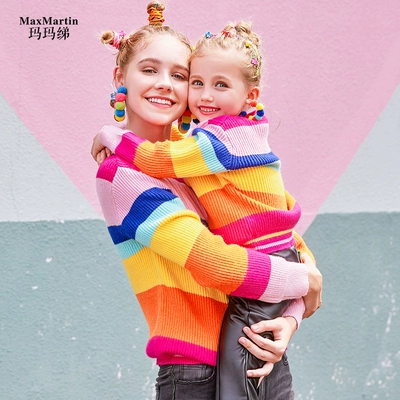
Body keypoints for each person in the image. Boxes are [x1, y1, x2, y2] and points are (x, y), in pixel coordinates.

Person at [92, 3, 322, 399]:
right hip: (194, 373)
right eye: (149, 70)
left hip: (259, 347)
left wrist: (291, 319)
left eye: (180, 76)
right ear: (120, 77)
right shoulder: (120, 175)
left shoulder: (204, 153)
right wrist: (306, 281)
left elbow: (282, 231)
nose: (165, 84)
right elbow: (213, 262)